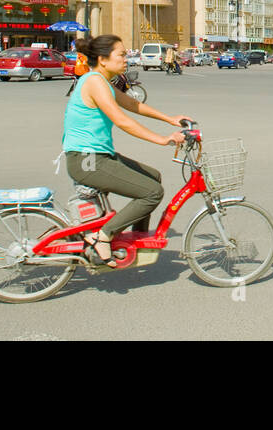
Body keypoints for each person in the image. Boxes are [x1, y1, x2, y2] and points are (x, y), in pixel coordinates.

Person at [62, 35, 194, 267]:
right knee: (152, 192)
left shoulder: (102, 81)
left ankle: (137, 240)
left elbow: (133, 105)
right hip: (86, 161)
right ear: (103, 59)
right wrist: (163, 140)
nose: (127, 59)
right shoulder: (94, 82)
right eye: (121, 55)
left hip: (97, 157)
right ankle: (103, 237)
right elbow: (123, 121)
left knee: (153, 177)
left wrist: (170, 119)